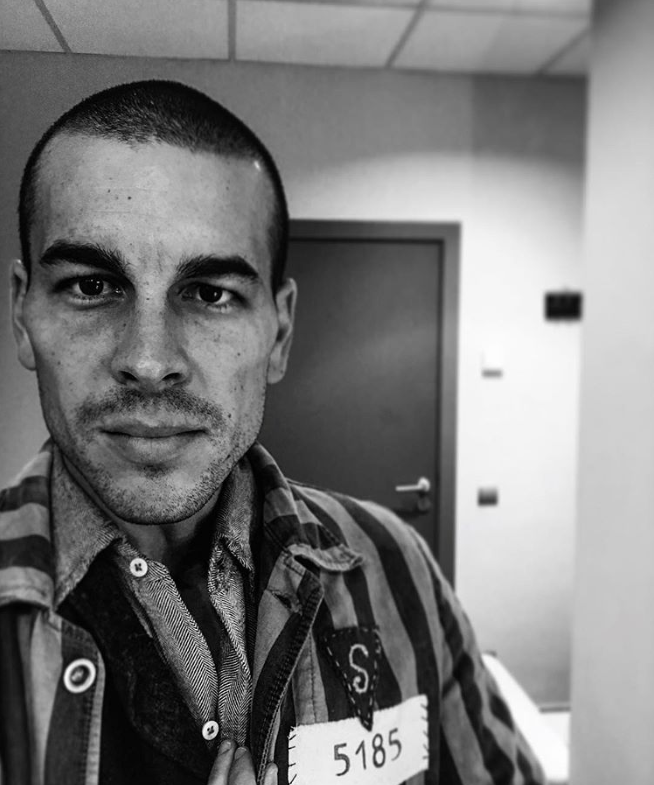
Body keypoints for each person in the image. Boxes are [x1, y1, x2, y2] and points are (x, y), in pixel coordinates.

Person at [0, 80, 545, 785]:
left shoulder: (395, 568)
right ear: (23, 314)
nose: (149, 360)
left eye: (211, 294)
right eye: (91, 285)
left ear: (279, 332)